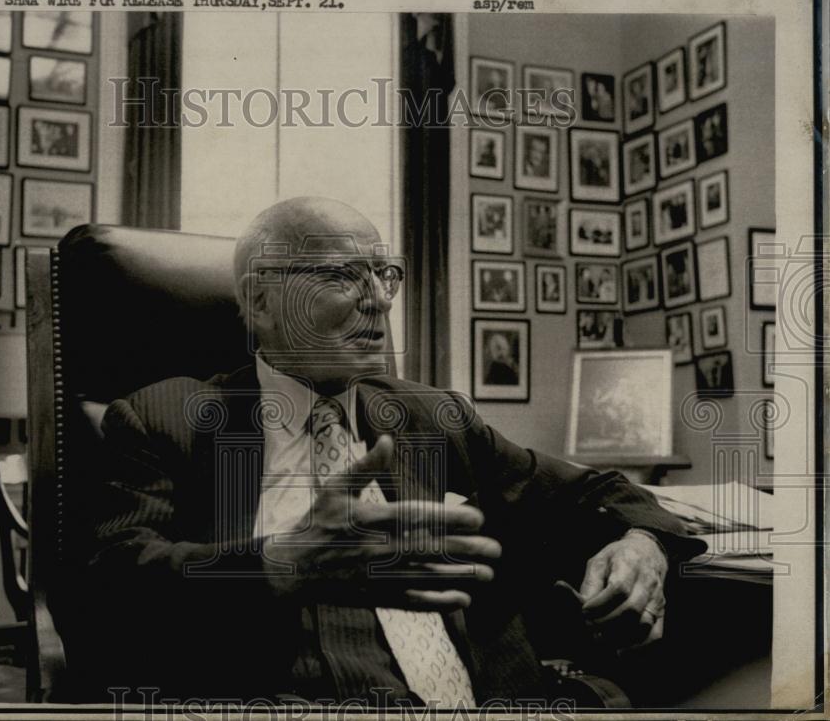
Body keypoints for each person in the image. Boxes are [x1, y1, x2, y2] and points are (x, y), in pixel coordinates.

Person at [78, 197, 703, 706]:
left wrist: (641, 546)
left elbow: (597, 495)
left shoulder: (434, 418)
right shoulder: (169, 420)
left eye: (385, 274)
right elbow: (112, 589)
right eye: (342, 274)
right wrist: (281, 563)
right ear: (261, 303)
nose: (379, 297)